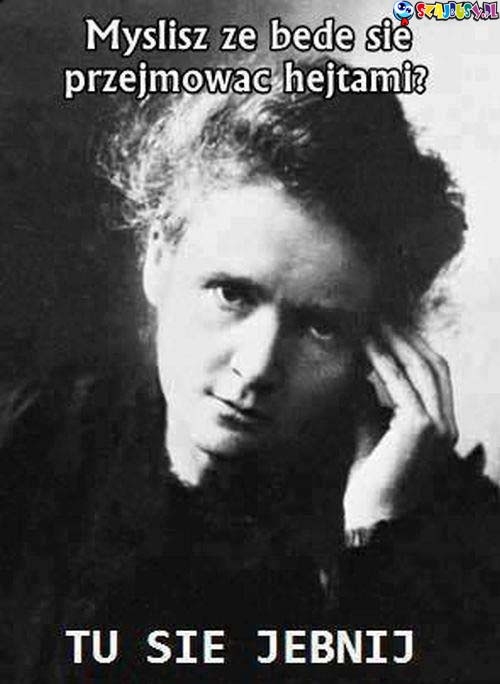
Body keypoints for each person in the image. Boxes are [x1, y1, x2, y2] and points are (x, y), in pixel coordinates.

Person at [2, 55, 499, 683]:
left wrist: (375, 543)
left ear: (380, 340)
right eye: (232, 294)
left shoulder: (457, 539)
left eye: (320, 326)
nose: (258, 367)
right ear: (158, 259)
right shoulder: (29, 447)